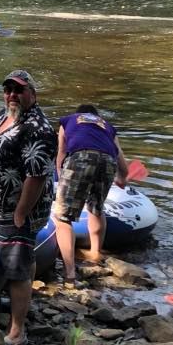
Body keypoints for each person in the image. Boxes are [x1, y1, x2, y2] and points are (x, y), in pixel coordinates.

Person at [0, 69, 57, 345]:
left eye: (19, 90)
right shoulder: (4, 115)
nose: (12, 95)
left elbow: (37, 175)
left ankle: (17, 332)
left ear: (33, 93)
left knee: (17, 266)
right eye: (8, 89)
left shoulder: (38, 128)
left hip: (18, 209)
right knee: (18, 259)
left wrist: (21, 212)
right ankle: (13, 302)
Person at [53, 105, 130, 281]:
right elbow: (119, 155)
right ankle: (95, 255)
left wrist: (60, 177)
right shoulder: (106, 126)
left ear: (78, 113)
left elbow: (62, 151)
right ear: (96, 115)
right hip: (108, 160)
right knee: (96, 208)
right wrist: (122, 178)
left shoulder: (68, 120)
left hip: (81, 157)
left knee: (62, 217)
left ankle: (69, 272)